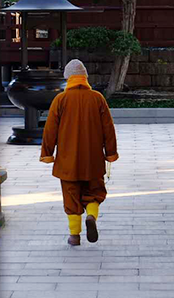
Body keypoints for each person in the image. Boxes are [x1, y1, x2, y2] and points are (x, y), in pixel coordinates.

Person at [40, 59, 119, 246]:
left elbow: (50, 129)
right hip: (93, 160)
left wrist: (47, 153)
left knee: (71, 196)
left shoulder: (60, 100)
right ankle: (91, 215)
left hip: (68, 161)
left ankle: (74, 236)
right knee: (94, 192)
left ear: (68, 79)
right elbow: (109, 128)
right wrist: (111, 153)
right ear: (85, 78)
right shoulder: (97, 98)